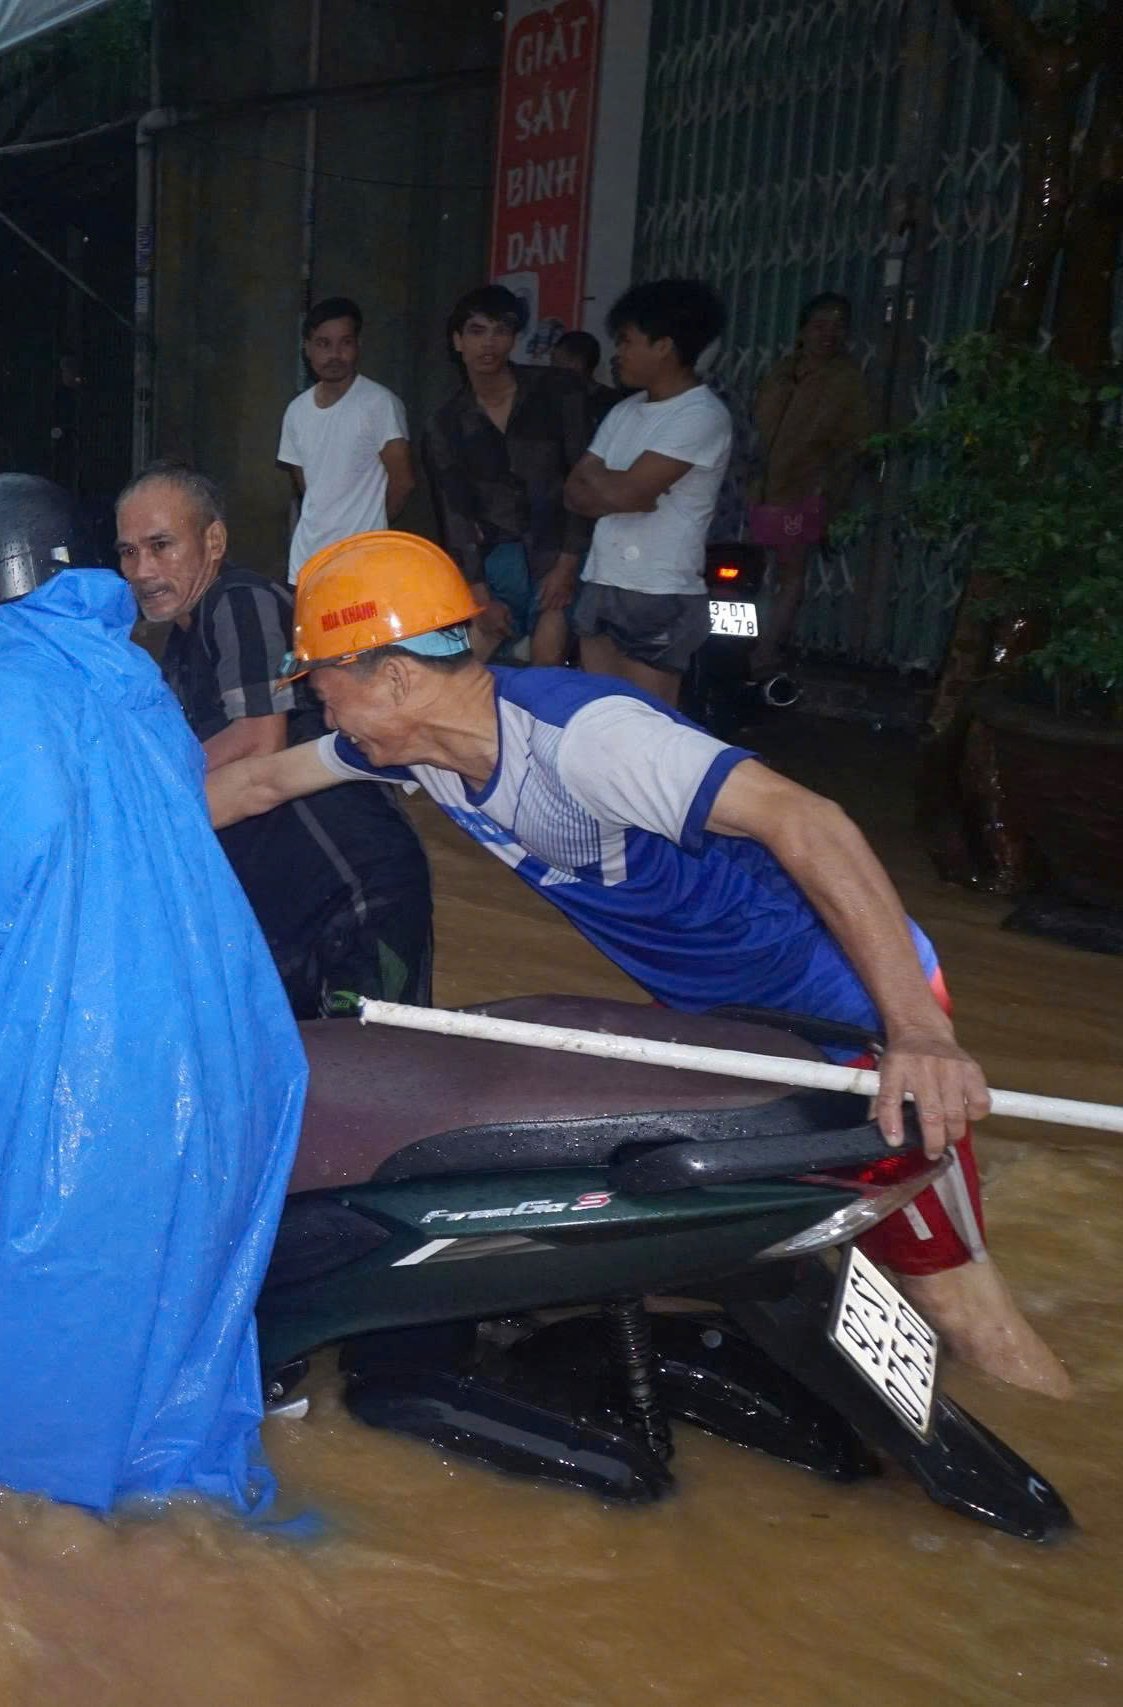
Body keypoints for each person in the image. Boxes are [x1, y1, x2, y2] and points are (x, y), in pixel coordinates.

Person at [210, 531, 1072, 1398]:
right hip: (729, 1026)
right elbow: (256, 786)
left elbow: (815, 823)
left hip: (855, 1011)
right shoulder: (416, 748)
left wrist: (917, 1032)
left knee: (963, 1306)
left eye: (324, 688)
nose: (325, 713)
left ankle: (1058, 1449)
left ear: (393, 677)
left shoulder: (590, 740)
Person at [0, 473, 305, 1516]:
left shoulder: (8, 688)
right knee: (170, 1339)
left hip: (82, 1065)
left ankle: (53, 1587)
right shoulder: (126, 671)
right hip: (219, 1036)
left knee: (39, 1363)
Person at [116, 463, 433, 1016]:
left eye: (161, 545)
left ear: (213, 540)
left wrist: (138, 792)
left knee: (380, 1076)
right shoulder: (181, 647)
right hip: (289, 912)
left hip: (355, 899)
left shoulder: (238, 602)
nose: (143, 570)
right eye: (128, 552)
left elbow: (259, 741)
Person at [561, 278, 737, 708]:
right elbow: (573, 491)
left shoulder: (701, 414)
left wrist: (611, 485)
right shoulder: (625, 410)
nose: (618, 354)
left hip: (658, 589)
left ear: (664, 346)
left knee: (648, 724)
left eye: (627, 341)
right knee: (598, 716)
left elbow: (626, 492)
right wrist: (619, 488)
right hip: (602, 578)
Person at [420, 284, 596, 666]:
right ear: (457, 341)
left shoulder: (557, 391)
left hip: (556, 550)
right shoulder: (445, 423)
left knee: (545, 673)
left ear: (514, 338)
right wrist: (477, 591)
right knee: (464, 678)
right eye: (477, 331)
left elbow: (583, 479)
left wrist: (568, 564)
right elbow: (455, 515)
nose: (489, 344)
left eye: (500, 331)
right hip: (496, 559)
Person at [749, 293, 876, 675]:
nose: (829, 333)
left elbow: (857, 442)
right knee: (749, 570)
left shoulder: (847, 380)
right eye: (820, 324)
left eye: (838, 326)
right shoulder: (780, 372)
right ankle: (738, 644)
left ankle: (767, 650)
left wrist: (833, 492)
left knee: (789, 573)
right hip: (756, 487)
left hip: (802, 490)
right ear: (803, 331)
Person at [278, 296, 415, 581]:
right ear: (308, 348)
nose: (335, 355)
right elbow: (306, 486)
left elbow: (403, 482)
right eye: (323, 344)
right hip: (307, 560)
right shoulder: (296, 411)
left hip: (363, 563)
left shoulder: (379, 404)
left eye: (345, 343)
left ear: (358, 346)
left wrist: (370, 530)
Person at [550, 329, 627, 425]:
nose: (551, 367)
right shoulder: (550, 399)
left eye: (555, 361)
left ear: (576, 363)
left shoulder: (614, 405)